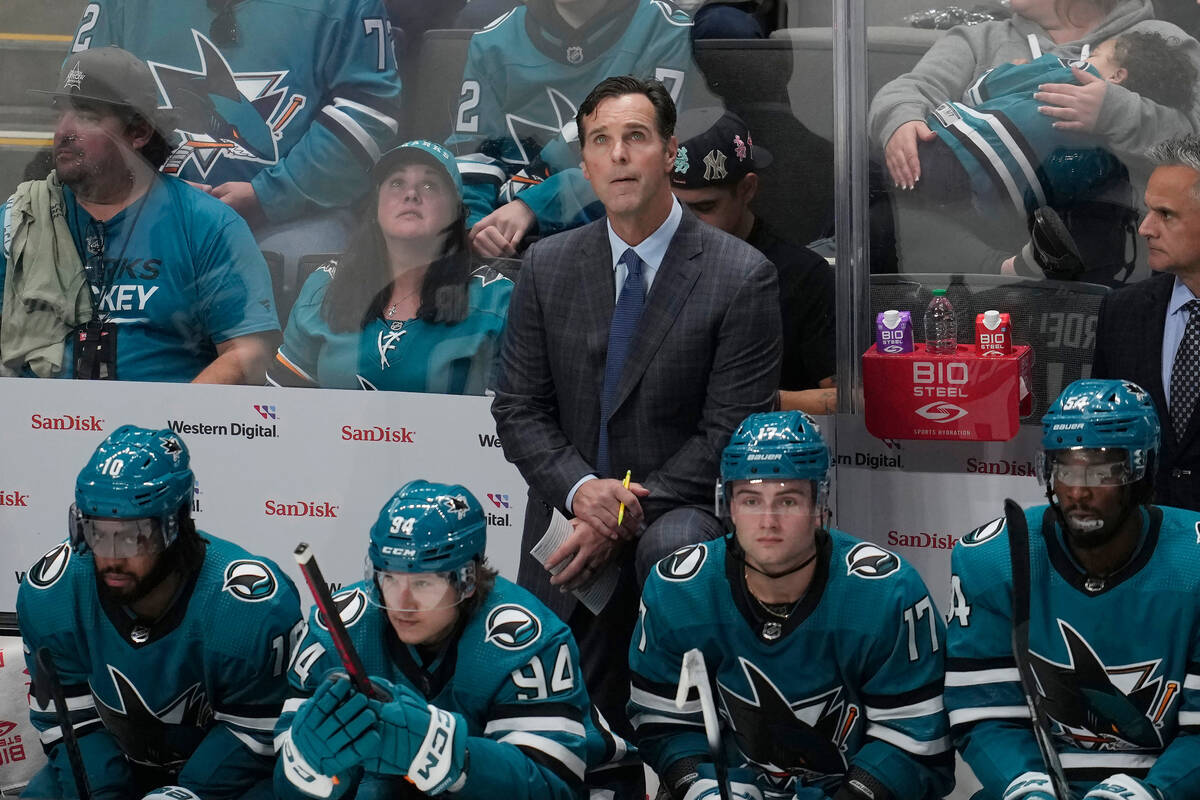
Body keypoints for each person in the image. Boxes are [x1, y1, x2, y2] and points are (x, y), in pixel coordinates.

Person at [491, 75, 780, 744]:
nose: (618, 155)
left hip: (676, 515)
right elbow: (519, 410)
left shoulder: (742, 275)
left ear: (670, 152)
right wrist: (581, 491)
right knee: (547, 732)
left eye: (636, 137)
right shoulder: (547, 266)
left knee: (673, 549)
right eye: (601, 141)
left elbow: (730, 434)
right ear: (586, 163)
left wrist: (618, 511)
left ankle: (689, 759)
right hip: (570, 517)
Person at [629, 411, 954, 800]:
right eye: (751, 500)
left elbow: (913, 736)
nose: (768, 521)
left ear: (820, 505)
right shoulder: (679, 591)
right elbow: (665, 723)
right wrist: (699, 787)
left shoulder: (887, 593)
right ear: (726, 504)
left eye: (787, 500)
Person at [273, 480, 633, 800]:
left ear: (467, 580)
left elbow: (551, 787)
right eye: (390, 579)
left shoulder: (525, 641)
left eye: (423, 583)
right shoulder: (336, 629)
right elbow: (286, 788)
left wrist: (442, 750)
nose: (402, 602)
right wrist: (307, 765)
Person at [945, 378, 1200, 800]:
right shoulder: (995, 558)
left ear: (1141, 473)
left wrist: (1154, 791)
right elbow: (984, 711)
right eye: (1066, 470)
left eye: (1101, 472)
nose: (1079, 491)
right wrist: (1023, 782)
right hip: (1041, 777)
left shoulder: (1193, 560)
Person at [16, 425, 301, 798]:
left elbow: (256, 733)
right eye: (99, 533)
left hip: (224, 777)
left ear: (176, 523)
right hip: (116, 762)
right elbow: (70, 720)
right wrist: (102, 792)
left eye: (133, 536)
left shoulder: (250, 608)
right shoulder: (54, 594)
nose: (112, 557)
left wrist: (186, 794)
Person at [0, 46, 280, 383]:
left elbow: (248, 351)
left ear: (139, 133)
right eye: (61, 113)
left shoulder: (206, 224)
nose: (64, 130)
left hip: (168, 412)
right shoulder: (20, 220)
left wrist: (173, 412)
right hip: (41, 412)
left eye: (87, 115)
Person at [868, 0, 1200, 275]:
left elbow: (1194, 133)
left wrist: (1114, 111)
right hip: (985, 243)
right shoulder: (979, 39)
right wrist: (902, 119)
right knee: (884, 216)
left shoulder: (1157, 41)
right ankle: (1010, 269)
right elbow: (911, 88)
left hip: (1117, 251)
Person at [68, 0, 403, 271]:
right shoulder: (118, 6)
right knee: (83, 252)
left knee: (307, 266)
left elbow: (369, 114)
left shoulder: (346, 4)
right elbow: (81, 104)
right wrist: (145, 190)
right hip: (140, 207)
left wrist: (270, 196)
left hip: (294, 218)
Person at [445, 0, 708, 258]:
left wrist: (534, 205)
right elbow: (471, 153)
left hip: (611, 238)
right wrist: (475, 226)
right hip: (501, 239)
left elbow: (644, 159)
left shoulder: (663, 28)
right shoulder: (492, 40)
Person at [266, 140, 512, 393]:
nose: (411, 194)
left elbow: (508, 412)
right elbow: (283, 403)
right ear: (376, 207)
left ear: (456, 211)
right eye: (396, 183)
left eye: (429, 185)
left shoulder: (497, 299)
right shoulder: (325, 284)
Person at [670, 108, 837, 413]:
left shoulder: (803, 278)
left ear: (747, 189)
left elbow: (844, 400)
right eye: (674, 206)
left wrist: (745, 400)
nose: (686, 224)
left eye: (705, 207)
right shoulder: (650, 263)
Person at [1093, 134, 1200, 511]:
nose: (1145, 228)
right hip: (1145, 530)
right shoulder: (1121, 311)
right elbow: (1104, 433)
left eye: (1165, 214)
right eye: (1148, 211)